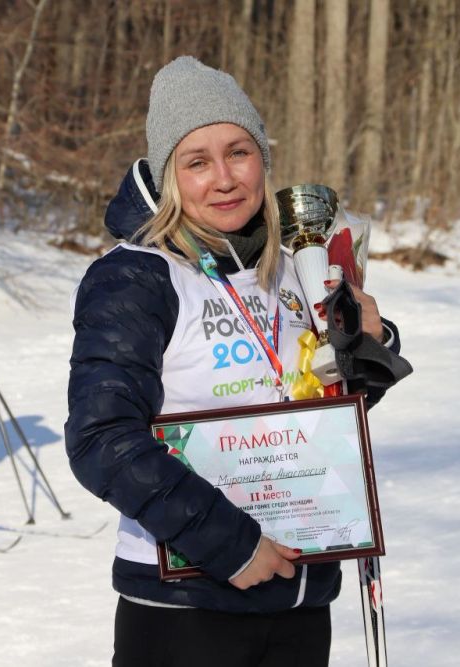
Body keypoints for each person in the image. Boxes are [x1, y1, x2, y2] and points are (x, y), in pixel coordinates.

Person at [65, 56, 404, 667]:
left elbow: (316, 408)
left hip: (300, 590)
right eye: (197, 162)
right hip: (189, 604)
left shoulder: (290, 264)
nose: (224, 178)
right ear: (168, 176)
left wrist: (364, 348)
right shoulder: (136, 277)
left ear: (263, 161)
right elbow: (101, 439)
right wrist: (230, 544)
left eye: (239, 153)